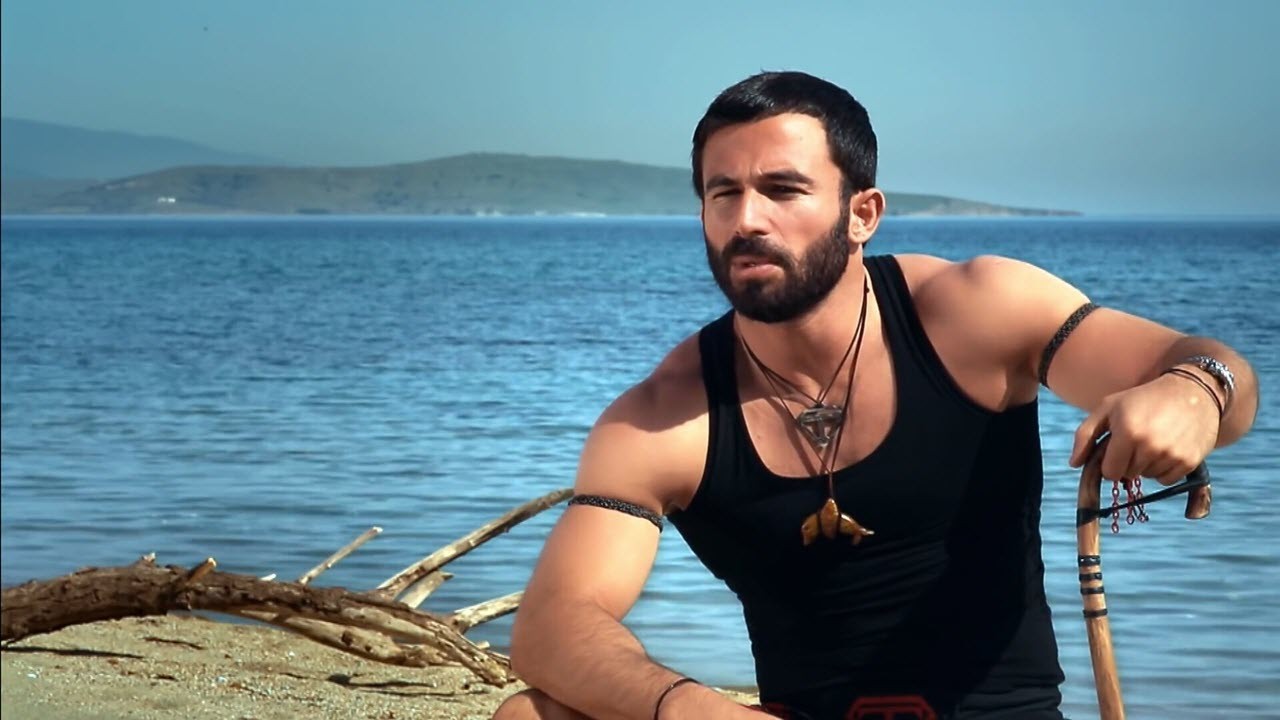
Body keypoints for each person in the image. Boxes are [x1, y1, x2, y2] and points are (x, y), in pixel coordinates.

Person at [492, 71, 1259, 720]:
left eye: (782, 189)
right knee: (529, 715)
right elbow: (553, 626)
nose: (747, 219)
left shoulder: (972, 313)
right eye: (723, 194)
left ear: (863, 214)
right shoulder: (663, 416)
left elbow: (1216, 370)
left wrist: (1193, 392)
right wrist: (691, 707)